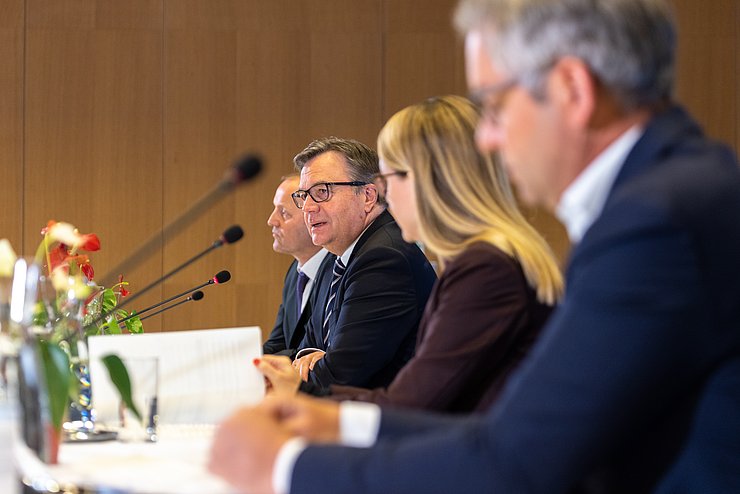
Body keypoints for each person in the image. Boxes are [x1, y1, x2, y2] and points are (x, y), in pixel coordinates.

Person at [209, 1, 740, 493]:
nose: (486, 139)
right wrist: (337, 418)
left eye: (493, 104)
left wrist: (284, 467)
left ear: (572, 90)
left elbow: (520, 457)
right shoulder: (678, 192)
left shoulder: (654, 224)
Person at [256, 95, 562, 414]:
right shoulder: (481, 260)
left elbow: (414, 401)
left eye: (393, 177)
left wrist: (298, 392)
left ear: (436, 181)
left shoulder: (485, 269)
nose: (386, 194)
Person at [288, 137, 437, 389]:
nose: (308, 208)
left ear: (368, 195)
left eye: (322, 192)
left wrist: (296, 375)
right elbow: (305, 347)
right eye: (304, 195)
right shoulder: (333, 258)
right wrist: (309, 360)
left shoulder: (384, 258)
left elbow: (338, 376)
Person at [263, 175, 333, 358]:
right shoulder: (295, 273)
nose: (271, 221)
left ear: (311, 219)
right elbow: (278, 343)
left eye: (284, 213)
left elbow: (318, 350)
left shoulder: (338, 272)